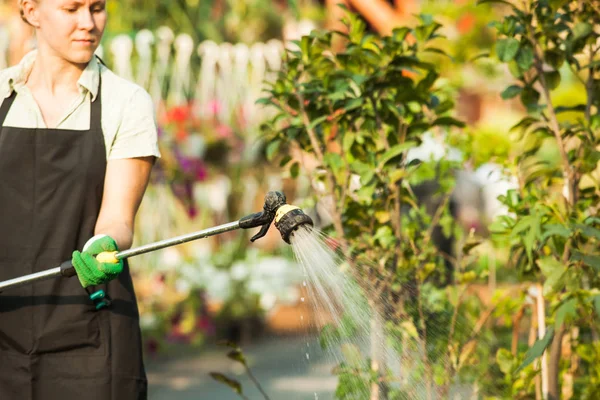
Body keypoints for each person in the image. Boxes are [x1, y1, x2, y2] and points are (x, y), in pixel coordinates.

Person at [0, 0, 160, 399]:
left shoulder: (126, 102)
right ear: (32, 11)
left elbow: (118, 219)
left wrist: (105, 244)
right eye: (72, 9)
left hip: (92, 331)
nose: (88, 23)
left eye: (97, 8)